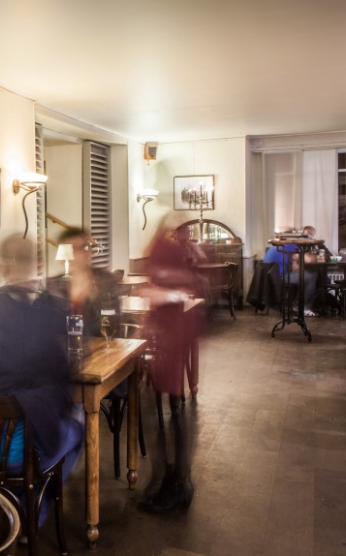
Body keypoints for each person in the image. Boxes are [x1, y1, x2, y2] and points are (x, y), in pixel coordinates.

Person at [0, 235, 83, 486]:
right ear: (37, 268)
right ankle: (32, 509)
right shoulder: (46, 319)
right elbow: (64, 375)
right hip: (20, 453)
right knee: (78, 425)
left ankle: (7, 508)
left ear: (3, 269)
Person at [139, 213, 203, 513]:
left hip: (171, 331)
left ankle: (175, 485)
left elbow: (179, 285)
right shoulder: (173, 247)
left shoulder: (170, 249)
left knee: (169, 407)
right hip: (168, 330)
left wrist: (158, 293)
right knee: (168, 406)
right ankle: (170, 481)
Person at [46, 227, 120, 333]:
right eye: (76, 248)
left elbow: (112, 322)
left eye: (86, 247)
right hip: (65, 346)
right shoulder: (54, 285)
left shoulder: (105, 280)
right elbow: (49, 327)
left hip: (99, 344)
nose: (84, 252)